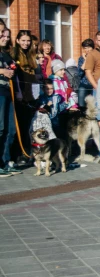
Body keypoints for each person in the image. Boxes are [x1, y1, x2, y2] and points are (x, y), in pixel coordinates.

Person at [12, 30, 40, 162]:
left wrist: (36, 94)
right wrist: (18, 93)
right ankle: (18, 154)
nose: (26, 43)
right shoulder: (14, 54)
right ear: (17, 41)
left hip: (30, 96)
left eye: (28, 40)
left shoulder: (31, 55)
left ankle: (26, 153)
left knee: (27, 127)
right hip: (19, 96)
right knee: (19, 127)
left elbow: (34, 77)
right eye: (23, 40)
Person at [0, 28, 19, 176]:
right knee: (1, 128)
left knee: (10, 129)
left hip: (8, 92)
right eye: (2, 34)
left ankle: (6, 162)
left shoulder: (6, 54)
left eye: (7, 36)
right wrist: (2, 71)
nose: (4, 38)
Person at [77, 39, 95, 107]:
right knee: (81, 105)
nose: (87, 50)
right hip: (84, 84)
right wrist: (85, 60)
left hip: (93, 84)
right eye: (85, 48)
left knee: (92, 106)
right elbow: (79, 73)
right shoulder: (81, 59)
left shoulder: (96, 57)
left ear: (92, 47)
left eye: (89, 47)